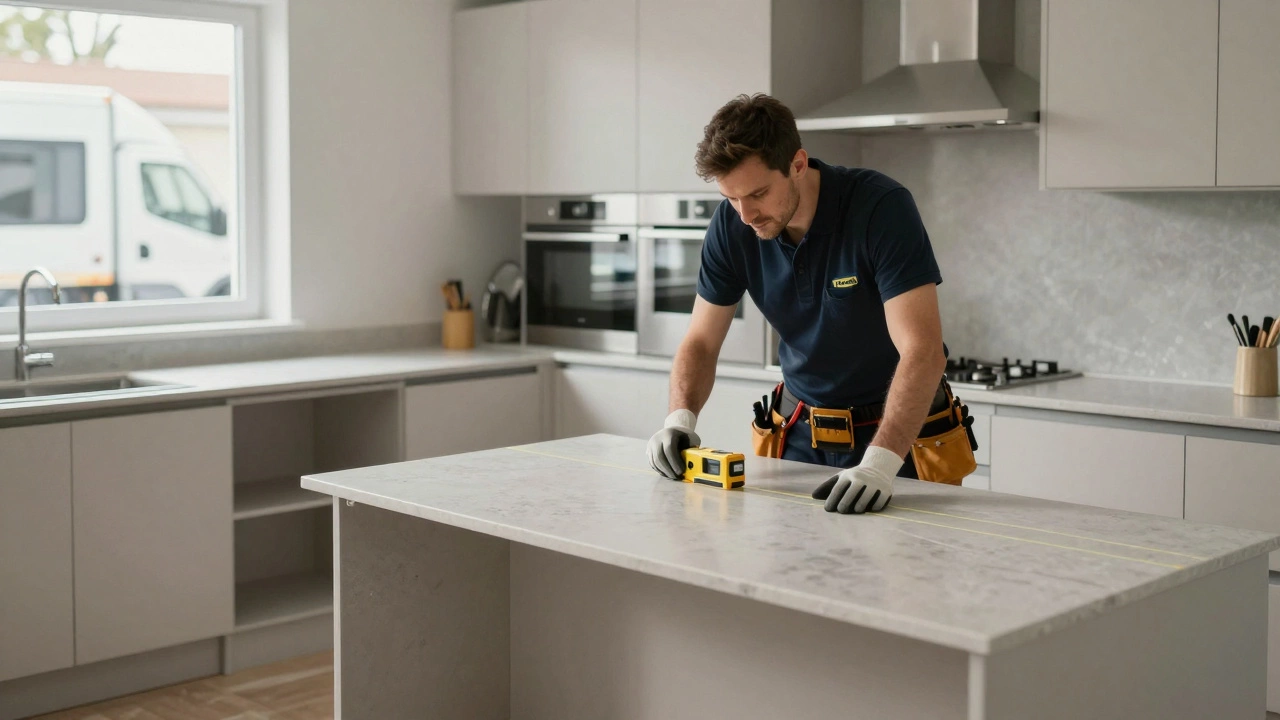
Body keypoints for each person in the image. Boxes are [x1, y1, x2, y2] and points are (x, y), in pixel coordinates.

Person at [646, 93, 948, 515]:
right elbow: (700, 341)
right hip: (798, 434)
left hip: (901, 441)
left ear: (798, 164)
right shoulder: (733, 225)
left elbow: (923, 350)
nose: (746, 214)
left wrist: (880, 466)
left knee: (902, 573)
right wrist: (679, 420)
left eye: (758, 193)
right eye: (731, 198)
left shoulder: (879, 207)